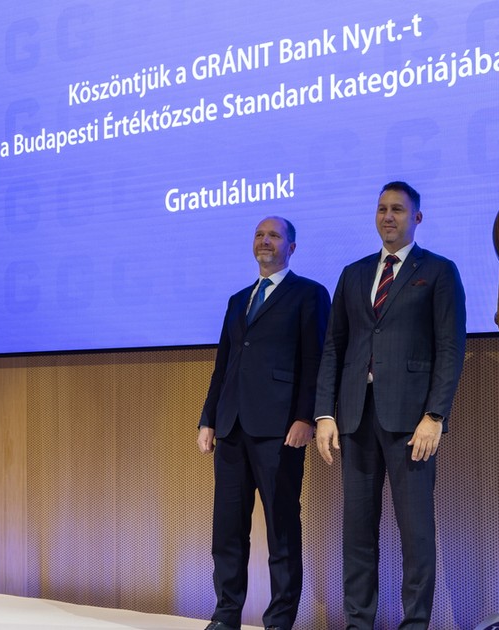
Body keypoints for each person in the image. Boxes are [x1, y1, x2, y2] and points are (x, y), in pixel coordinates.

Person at [313, 181, 467, 630]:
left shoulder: (438, 271)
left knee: (416, 533)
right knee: (357, 532)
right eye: (382, 209)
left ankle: (414, 624)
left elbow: (450, 348)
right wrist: (325, 413)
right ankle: (358, 623)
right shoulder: (354, 273)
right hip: (355, 417)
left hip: (411, 421)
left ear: (416, 218)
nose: (388, 216)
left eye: (398, 209)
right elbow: (334, 347)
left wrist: (435, 415)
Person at [198, 216, 331, 630]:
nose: (265, 241)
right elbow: (223, 365)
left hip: (280, 431)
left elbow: (315, 360)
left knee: (282, 530)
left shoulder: (309, 294)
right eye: (259, 234)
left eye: (274, 235)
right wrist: (208, 419)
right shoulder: (238, 299)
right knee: (227, 531)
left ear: (292, 247)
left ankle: (279, 621)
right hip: (231, 428)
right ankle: (225, 616)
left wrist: (306, 417)